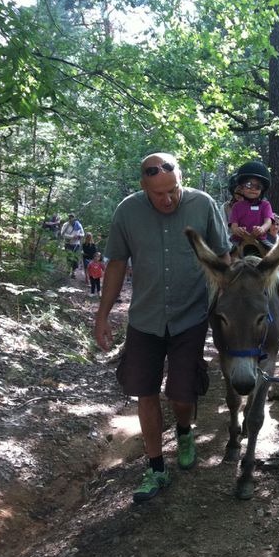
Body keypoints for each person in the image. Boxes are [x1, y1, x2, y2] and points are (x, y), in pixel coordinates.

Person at [94, 152, 230, 504]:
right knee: (145, 392)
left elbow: (223, 258)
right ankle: (156, 468)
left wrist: (230, 310)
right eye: (159, 194)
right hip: (145, 318)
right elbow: (116, 264)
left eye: (173, 190)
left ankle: (184, 430)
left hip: (191, 315)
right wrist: (103, 315)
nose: (168, 199)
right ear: (144, 187)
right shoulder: (128, 211)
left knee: (182, 393)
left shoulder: (203, 205)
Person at [229, 161, 279, 305]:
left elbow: (268, 221)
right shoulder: (237, 207)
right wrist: (237, 230)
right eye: (249, 185)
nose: (253, 189)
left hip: (260, 239)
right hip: (240, 239)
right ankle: (216, 291)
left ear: (262, 189)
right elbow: (233, 225)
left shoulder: (265, 205)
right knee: (224, 258)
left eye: (257, 186)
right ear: (241, 187)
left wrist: (262, 229)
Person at [60, 213, 85, 278]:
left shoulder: (78, 224)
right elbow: (62, 234)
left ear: (74, 218)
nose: (71, 218)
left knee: (75, 258)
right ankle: (68, 270)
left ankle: (73, 272)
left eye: (72, 217)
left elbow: (83, 234)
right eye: (70, 217)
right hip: (68, 243)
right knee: (69, 257)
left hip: (76, 244)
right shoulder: (66, 225)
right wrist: (72, 237)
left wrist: (78, 236)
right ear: (69, 218)